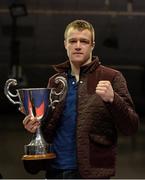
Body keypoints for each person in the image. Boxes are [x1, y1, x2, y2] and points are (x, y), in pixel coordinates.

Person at [22, 19, 139, 179]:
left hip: (92, 174)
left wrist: (113, 99)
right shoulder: (55, 81)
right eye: (73, 41)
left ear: (92, 45)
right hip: (55, 170)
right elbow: (48, 126)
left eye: (84, 41)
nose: (77, 46)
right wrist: (35, 125)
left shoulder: (112, 77)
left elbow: (131, 127)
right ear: (65, 44)